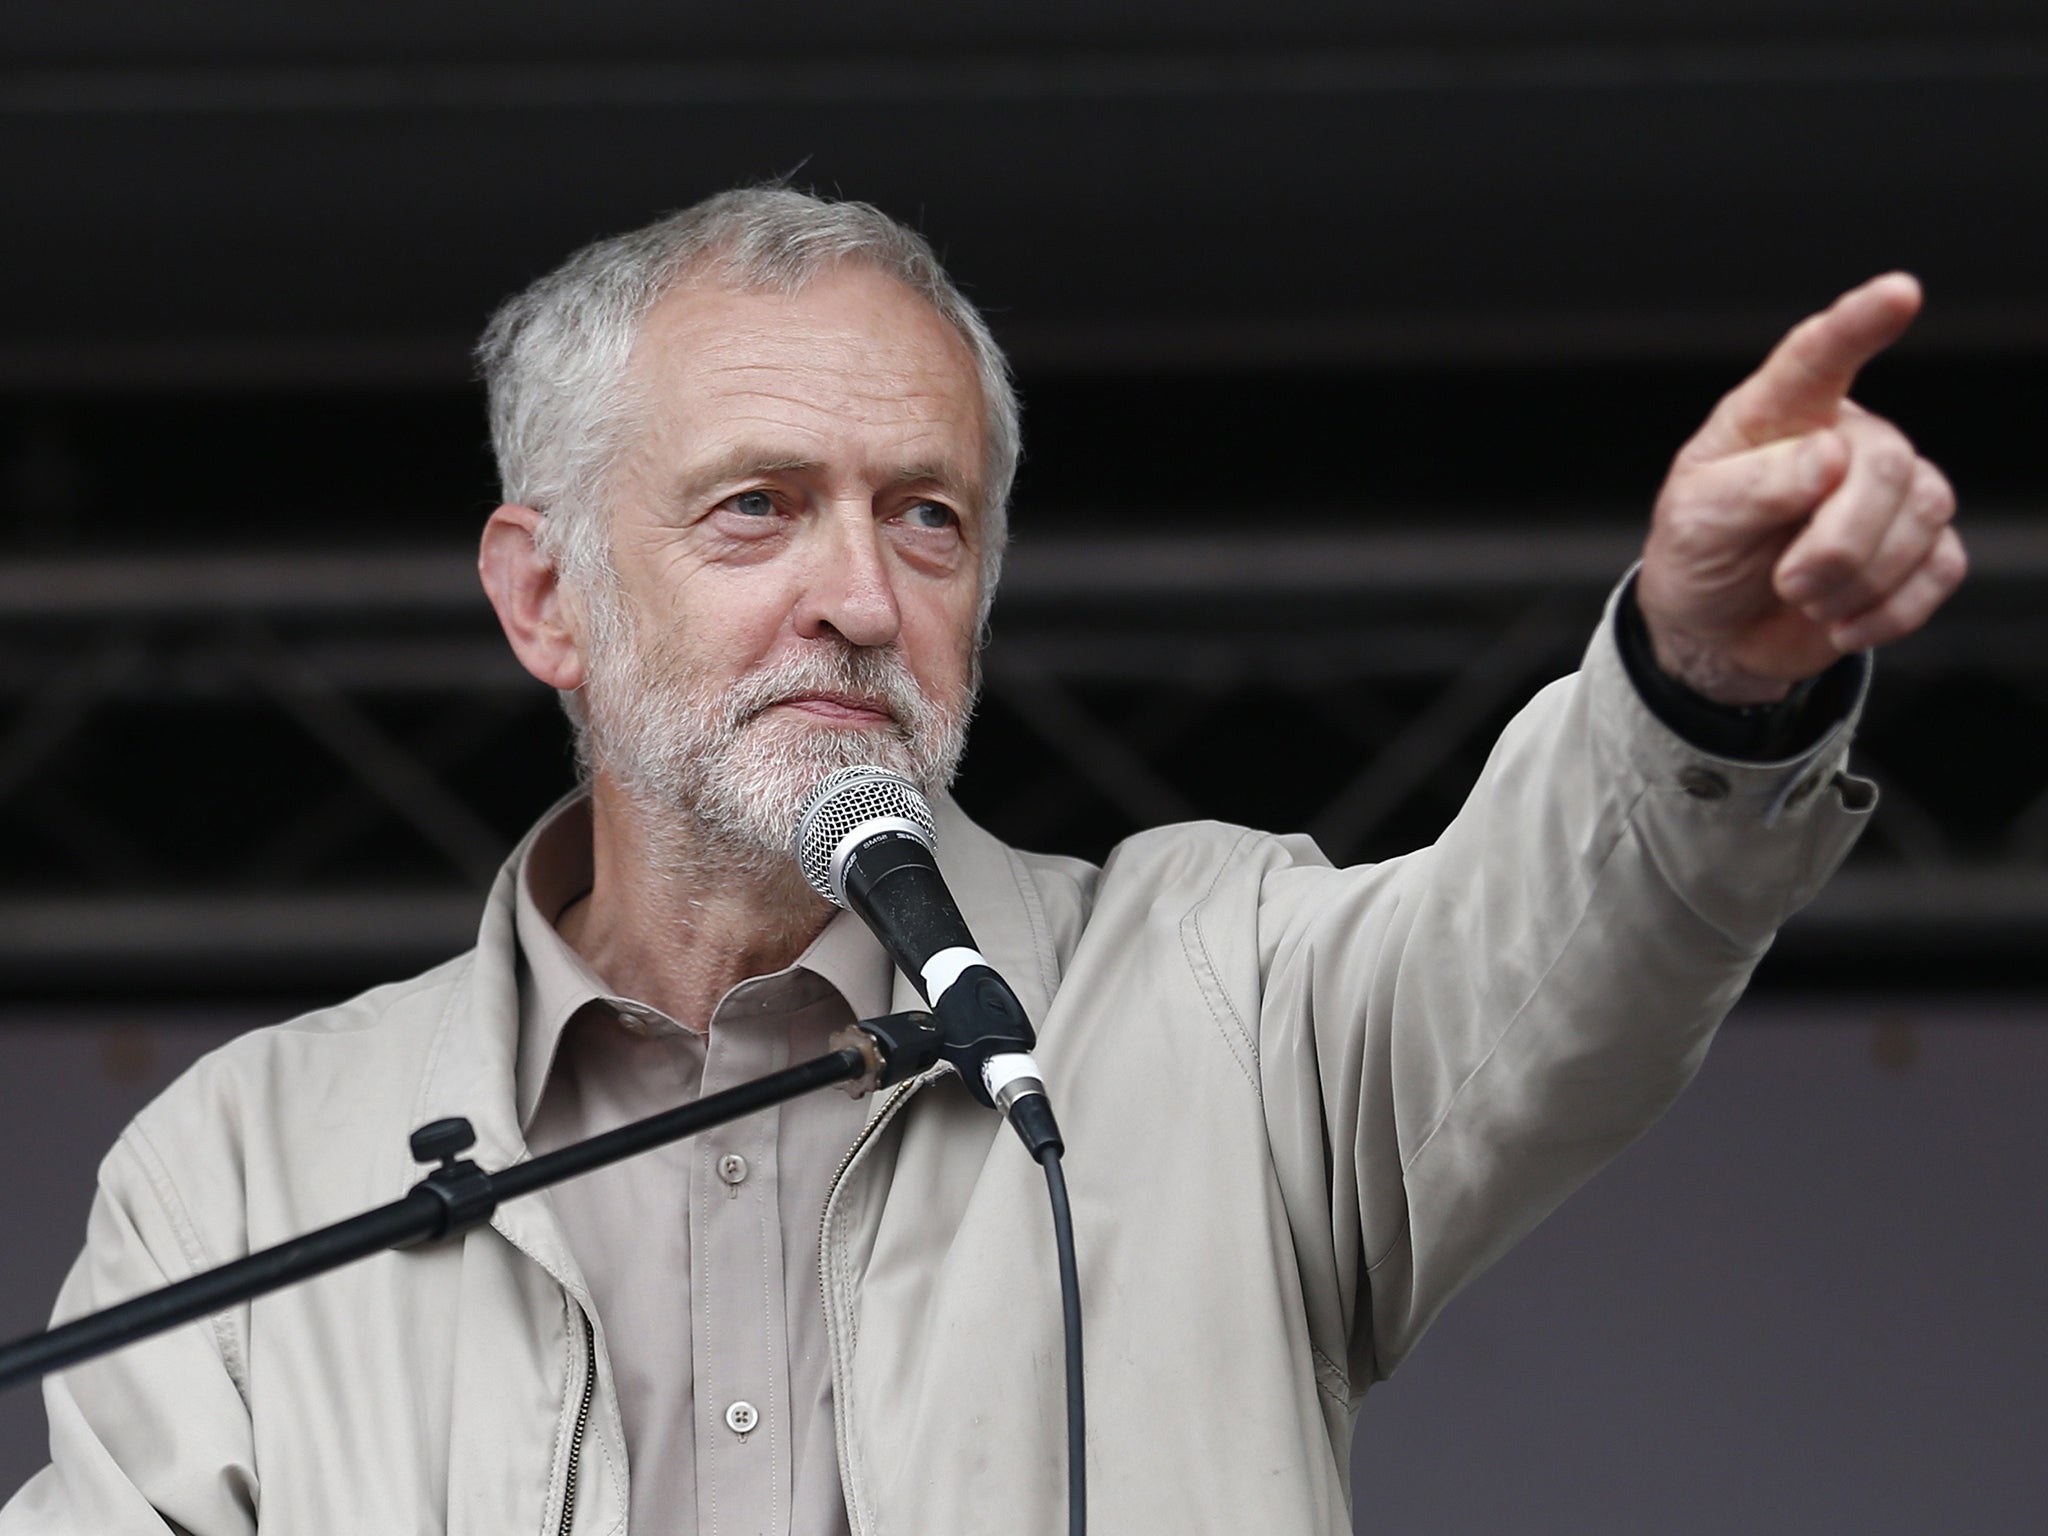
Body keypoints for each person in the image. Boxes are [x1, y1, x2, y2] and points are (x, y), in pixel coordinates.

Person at [0, 188, 1962, 1535]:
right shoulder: (248, 1162)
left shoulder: (1221, 988)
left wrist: (1703, 673)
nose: (856, 595)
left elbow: (1568, 949)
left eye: (924, 521)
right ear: (546, 597)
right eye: (755, 509)